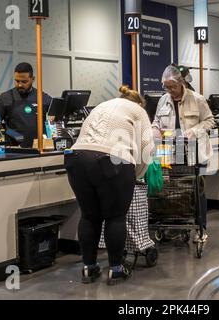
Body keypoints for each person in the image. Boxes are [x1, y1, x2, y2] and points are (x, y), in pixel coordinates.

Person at [64, 86, 154, 285]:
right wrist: (137, 174)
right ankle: (116, 269)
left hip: (76, 158)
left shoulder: (103, 106)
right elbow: (148, 145)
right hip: (112, 159)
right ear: (139, 103)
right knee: (115, 217)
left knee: (89, 215)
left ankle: (88, 268)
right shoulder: (138, 110)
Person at [152, 65, 215, 242]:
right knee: (177, 190)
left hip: (196, 152)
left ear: (181, 83)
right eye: (166, 87)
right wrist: (155, 129)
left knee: (197, 190)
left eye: (173, 86)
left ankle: (200, 229)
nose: (170, 90)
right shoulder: (163, 100)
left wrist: (193, 131)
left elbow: (210, 121)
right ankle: (179, 225)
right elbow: (156, 121)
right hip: (173, 152)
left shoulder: (197, 99)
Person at [0, 62, 52, 148]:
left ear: (33, 79)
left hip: (39, 148)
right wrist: (12, 134)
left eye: (24, 81)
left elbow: (56, 117)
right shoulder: (4, 98)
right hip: (15, 149)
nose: (20, 84)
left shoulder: (42, 97)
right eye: (17, 81)